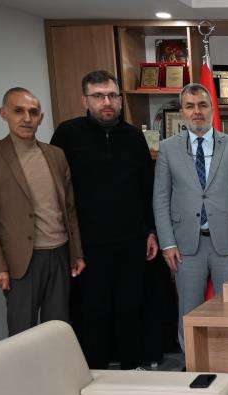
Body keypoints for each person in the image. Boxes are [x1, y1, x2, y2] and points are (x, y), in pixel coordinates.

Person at [50, 70, 157, 370]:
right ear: (85, 100)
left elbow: (146, 187)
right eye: (98, 96)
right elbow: (58, 190)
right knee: (93, 311)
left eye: (112, 95)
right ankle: (95, 372)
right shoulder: (67, 135)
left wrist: (150, 231)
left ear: (120, 100)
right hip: (88, 244)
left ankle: (132, 368)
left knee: (130, 307)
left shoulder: (133, 136)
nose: (106, 102)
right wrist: (71, 243)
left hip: (131, 240)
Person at [0, 87, 85, 335]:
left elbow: (69, 209)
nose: (27, 118)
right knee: (22, 333)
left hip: (59, 254)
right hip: (20, 261)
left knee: (59, 329)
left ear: (41, 117)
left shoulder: (56, 155)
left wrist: (76, 253)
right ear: (3, 113)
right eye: (18, 111)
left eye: (33, 112)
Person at [154, 83, 228, 352]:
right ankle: (192, 363)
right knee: (189, 312)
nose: (197, 111)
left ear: (212, 109)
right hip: (185, 247)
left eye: (202, 105)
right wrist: (167, 243)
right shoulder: (167, 149)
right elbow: (160, 199)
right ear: (182, 112)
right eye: (190, 106)